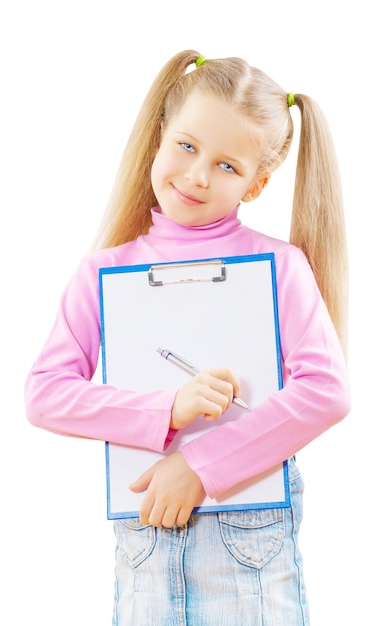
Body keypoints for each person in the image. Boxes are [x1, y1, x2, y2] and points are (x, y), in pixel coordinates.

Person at [25, 50, 351, 625]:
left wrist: (200, 465)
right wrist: (166, 409)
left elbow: (326, 391)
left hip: (248, 542)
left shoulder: (280, 266)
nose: (198, 174)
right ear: (159, 137)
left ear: (256, 185)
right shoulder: (103, 272)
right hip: (147, 537)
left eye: (229, 166)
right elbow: (45, 393)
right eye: (187, 146)